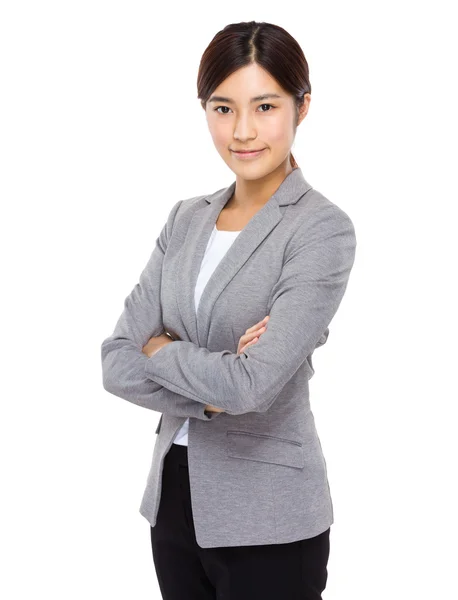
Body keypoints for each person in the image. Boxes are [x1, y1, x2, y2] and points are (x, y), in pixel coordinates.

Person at [101, 20, 357, 600]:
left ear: (302, 106)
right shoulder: (184, 219)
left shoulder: (320, 230)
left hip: (271, 519)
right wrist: (217, 383)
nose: (242, 131)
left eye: (264, 106)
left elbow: (253, 387)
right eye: (222, 108)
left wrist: (162, 347)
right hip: (173, 505)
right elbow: (115, 362)